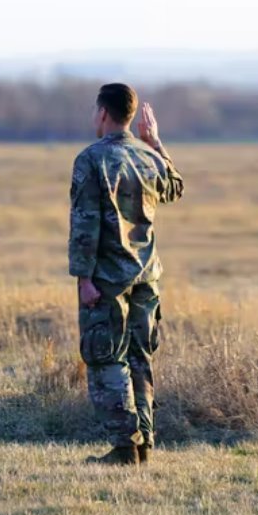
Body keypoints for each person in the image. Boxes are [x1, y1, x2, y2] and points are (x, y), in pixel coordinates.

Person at [70, 84, 184, 466]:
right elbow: (175, 187)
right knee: (140, 358)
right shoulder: (148, 157)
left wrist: (83, 278)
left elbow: (85, 225)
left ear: (103, 113)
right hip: (147, 276)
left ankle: (124, 446)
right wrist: (156, 142)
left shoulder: (92, 158)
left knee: (107, 359)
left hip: (108, 278)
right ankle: (145, 442)